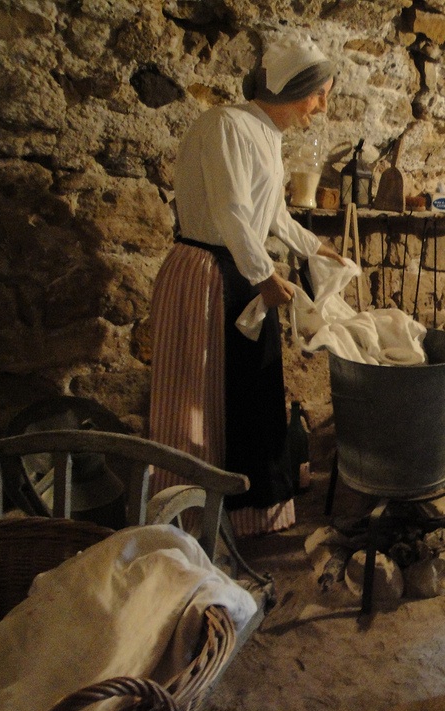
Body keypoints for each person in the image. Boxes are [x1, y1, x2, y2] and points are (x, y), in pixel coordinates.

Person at [149, 35, 345, 537]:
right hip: (208, 273)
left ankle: (243, 517)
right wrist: (262, 274)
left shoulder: (265, 136)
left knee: (250, 396)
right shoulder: (226, 125)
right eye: (318, 94)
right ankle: (188, 518)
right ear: (293, 87)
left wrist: (313, 248)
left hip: (238, 272)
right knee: (198, 396)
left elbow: (270, 212)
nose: (321, 107)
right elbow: (232, 211)